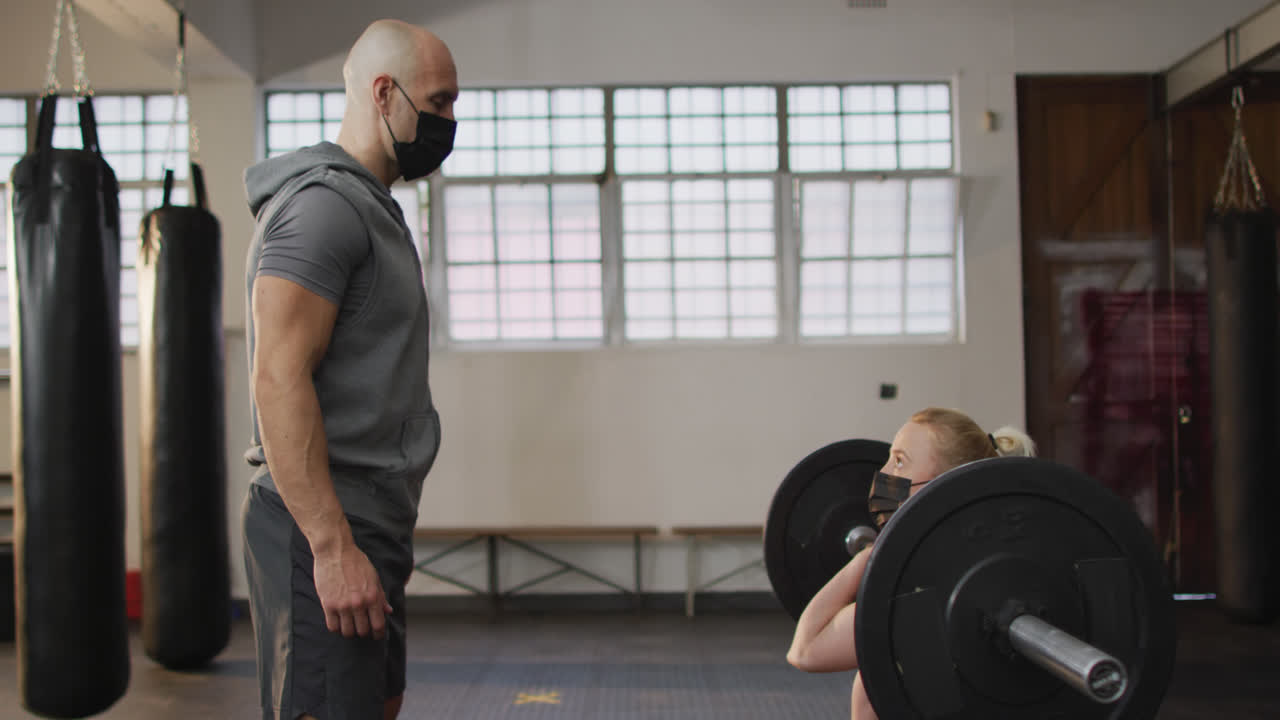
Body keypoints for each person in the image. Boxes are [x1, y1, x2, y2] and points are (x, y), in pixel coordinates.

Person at [239, 19, 459, 720]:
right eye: (440, 102)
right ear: (384, 93)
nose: (450, 121)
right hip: (322, 529)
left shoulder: (373, 208)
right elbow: (278, 378)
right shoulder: (322, 209)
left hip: (373, 526)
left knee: (376, 705)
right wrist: (331, 547)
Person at [786, 407, 1036, 720]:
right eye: (890, 458)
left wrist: (869, 559)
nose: (885, 473)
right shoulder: (987, 566)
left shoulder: (913, 592)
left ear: (942, 486)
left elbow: (806, 650)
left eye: (900, 461)